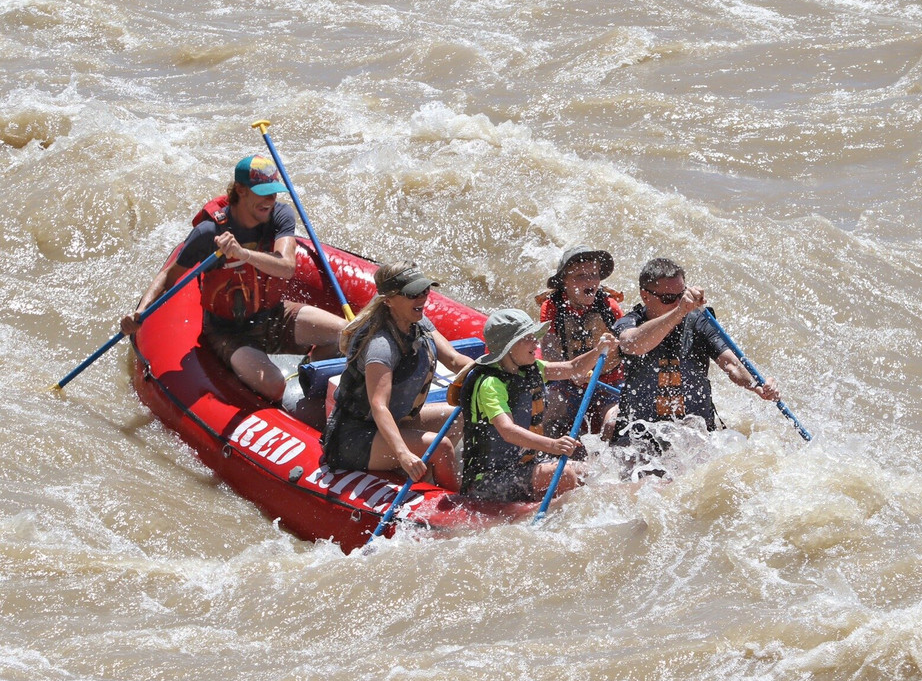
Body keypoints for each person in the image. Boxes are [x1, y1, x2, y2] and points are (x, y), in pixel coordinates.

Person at [120, 155, 345, 402]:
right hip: (228, 331)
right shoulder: (208, 232)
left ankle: (309, 374)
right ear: (241, 190)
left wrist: (243, 254)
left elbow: (287, 267)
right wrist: (141, 312)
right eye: (263, 193)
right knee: (274, 385)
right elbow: (168, 276)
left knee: (347, 334)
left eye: (274, 193)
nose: (270, 200)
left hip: (274, 315)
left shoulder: (280, 215)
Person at [321, 262, 473, 491]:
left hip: (399, 420)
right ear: (389, 300)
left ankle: (428, 478)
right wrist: (403, 453)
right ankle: (456, 500)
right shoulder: (380, 345)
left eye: (425, 290)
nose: (422, 298)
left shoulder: (419, 322)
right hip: (356, 436)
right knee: (440, 446)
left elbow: (453, 359)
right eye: (413, 294)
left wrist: (486, 371)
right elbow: (379, 405)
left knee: (460, 417)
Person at [613, 258, 780, 460]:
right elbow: (632, 344)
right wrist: (679, 311)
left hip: (695, 436)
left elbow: (731, 364)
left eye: (681, 295)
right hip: (641, 439)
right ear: (645, 295)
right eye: (668, 298)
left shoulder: (700, 320)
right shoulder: (630, 323)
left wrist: (757, 386)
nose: (678, 303)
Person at [460, 309, 617, 503]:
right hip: (489, 480)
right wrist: (553, 445)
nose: (536, 343)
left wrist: (598, 350)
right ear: (509, 346)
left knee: (587, 471)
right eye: (528, 338)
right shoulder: (491, 384)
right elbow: (508, 431)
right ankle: (544, 511)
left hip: (524, 466)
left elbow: (573, 368)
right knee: (565, 475)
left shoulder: (531, 369)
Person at [537, 245, 624, 439]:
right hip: (567, 382)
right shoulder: (552, 307)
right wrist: (571, 373)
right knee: (547, 411)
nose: (590, 281)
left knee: (613, 422)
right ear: (564, 281)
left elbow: (627, 347)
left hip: (608, 381)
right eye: (581, 276)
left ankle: (604, 455)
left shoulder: (609, 306)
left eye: (594, 275)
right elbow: (549, 353)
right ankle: (546, 450)